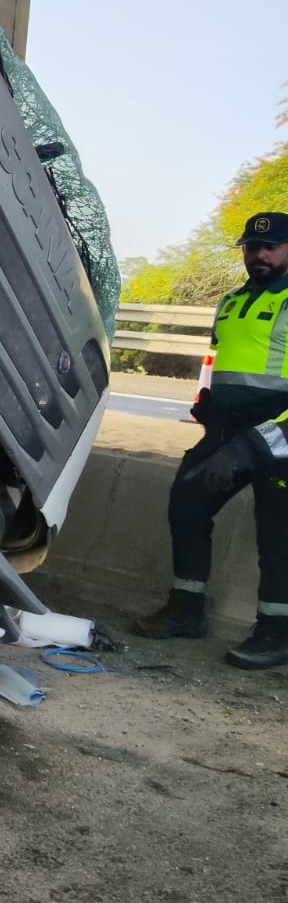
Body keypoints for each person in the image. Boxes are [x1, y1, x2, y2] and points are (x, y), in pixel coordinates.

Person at [134, 211, 288, 669]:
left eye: (271, 246)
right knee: (187, 501)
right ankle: (186, 612)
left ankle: (277, 633)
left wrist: (249, 447)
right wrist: (207, 403)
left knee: (278, 534)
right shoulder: (233, 300)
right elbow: (224, 360)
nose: (258, 255)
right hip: (227, 429)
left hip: (279, 433)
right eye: (250, 247)